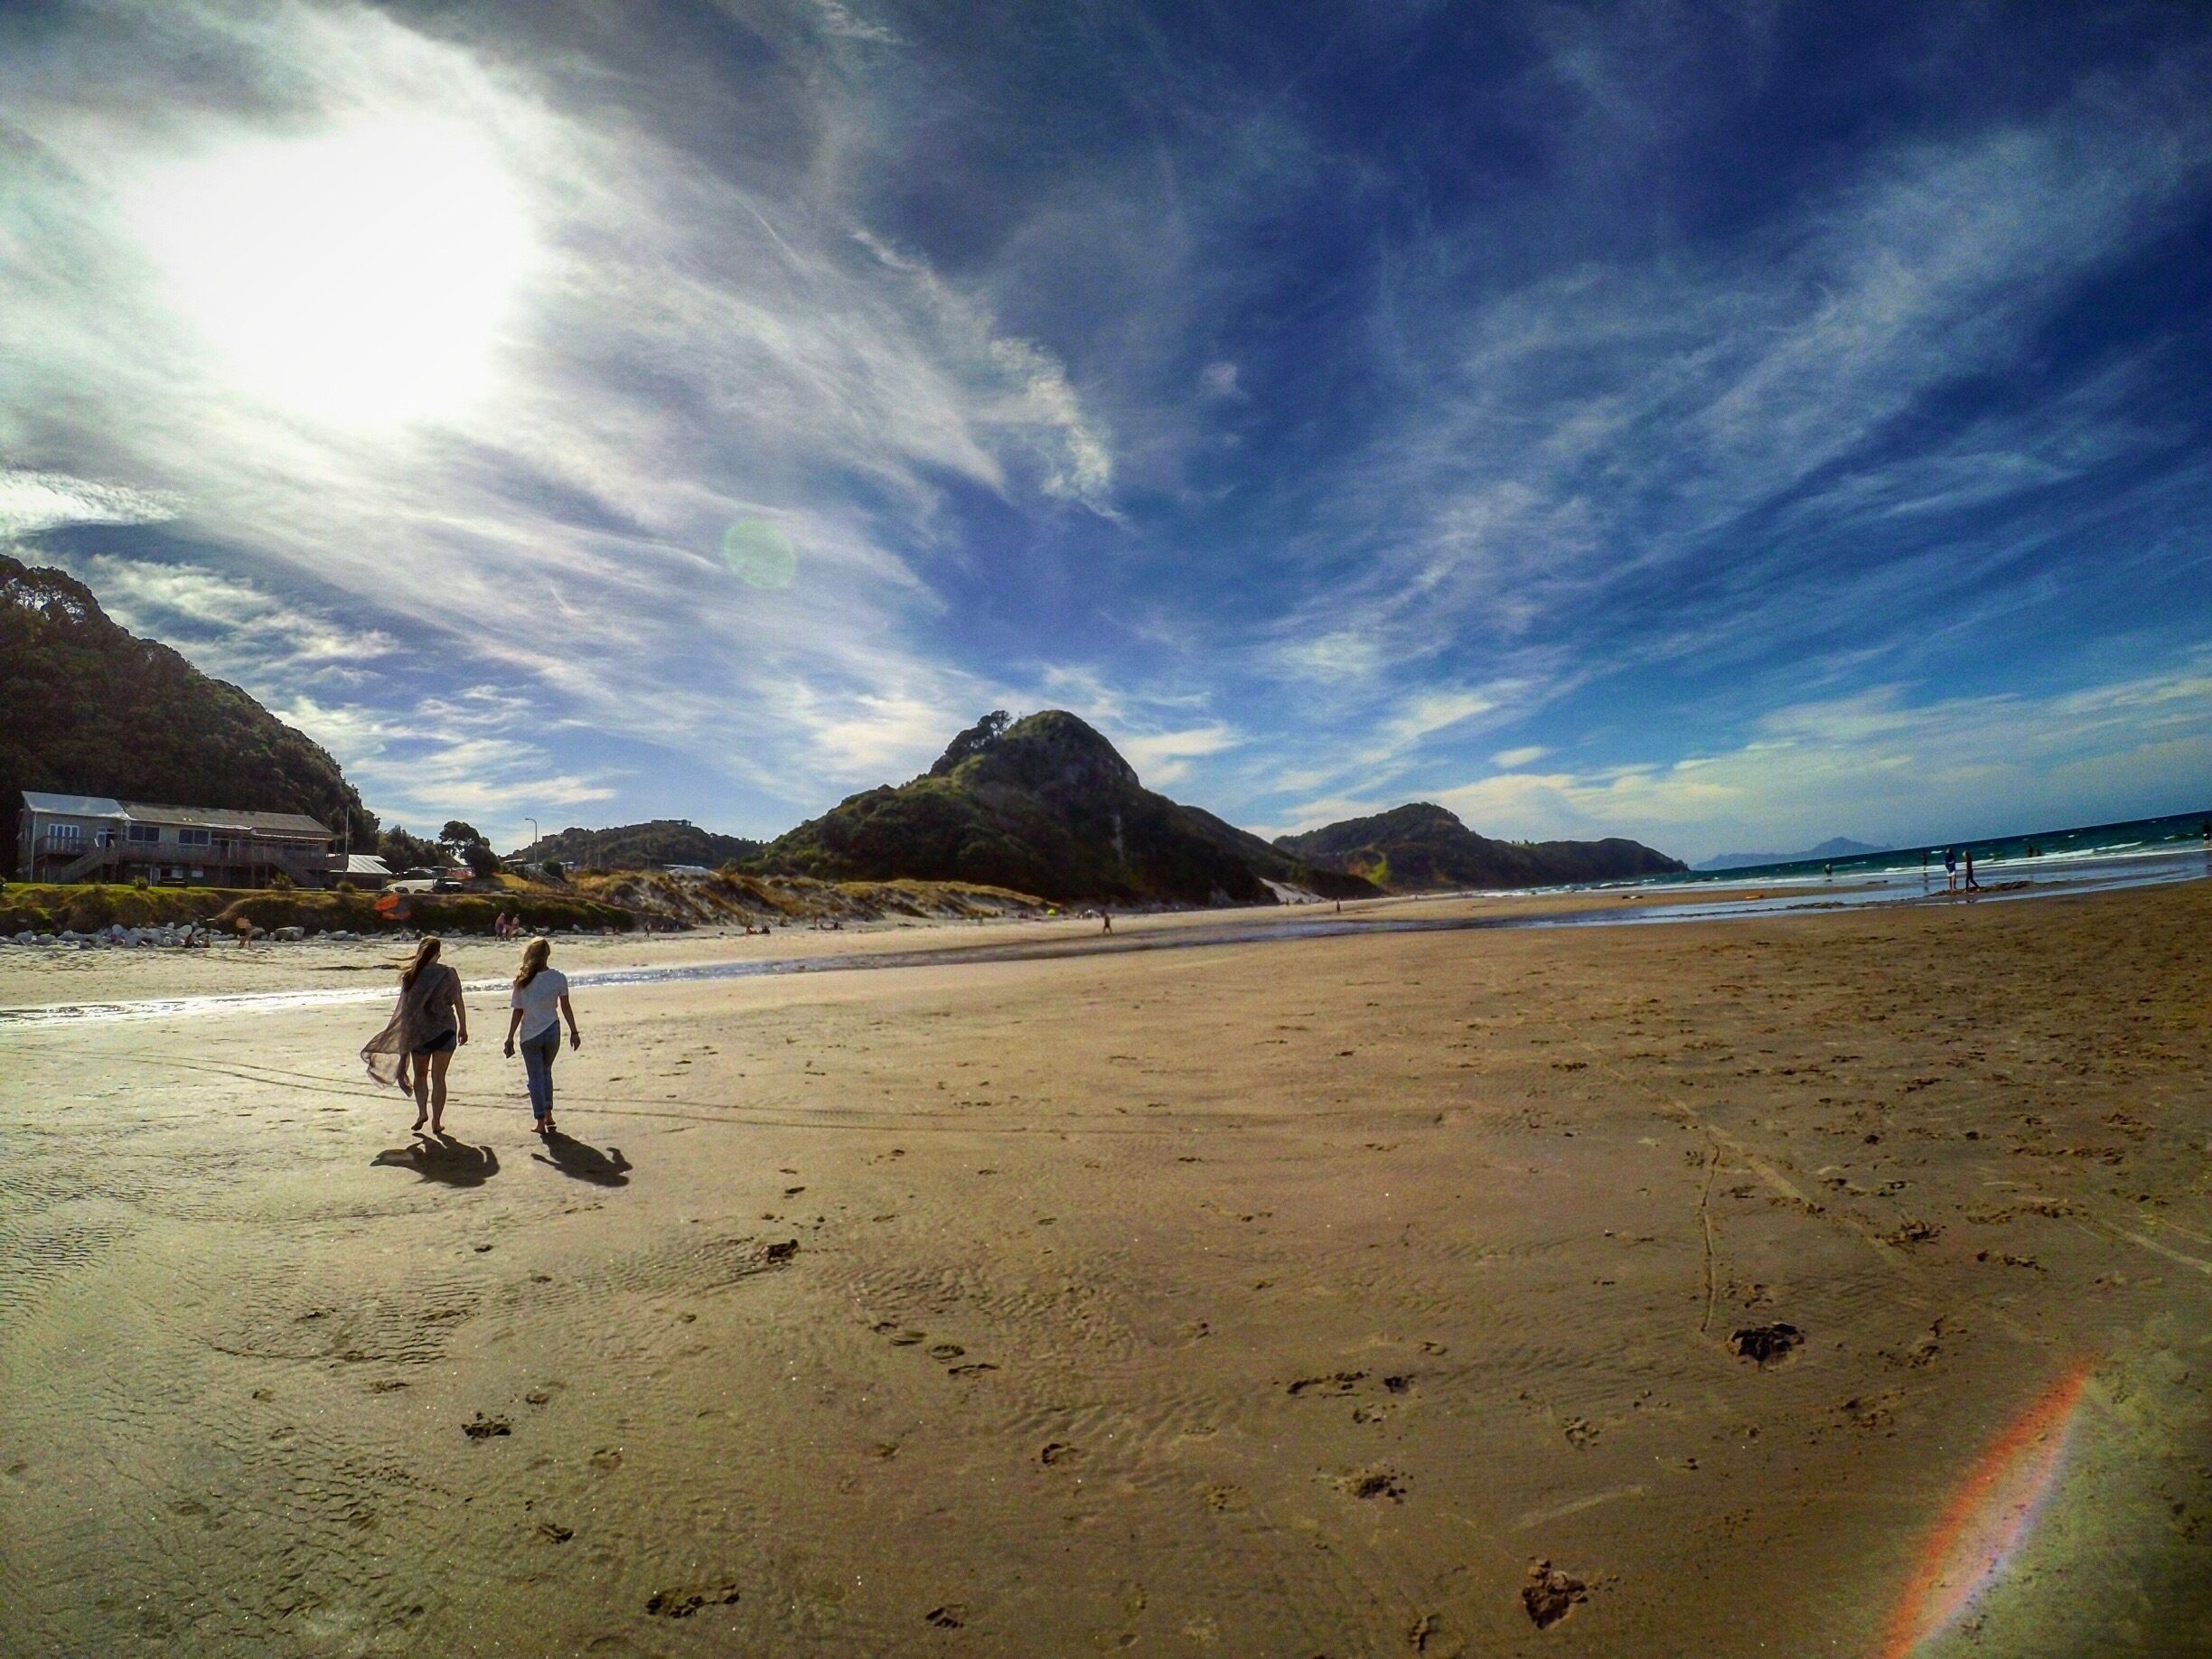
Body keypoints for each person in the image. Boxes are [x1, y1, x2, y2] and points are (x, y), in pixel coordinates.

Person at [361, 936, 468, 1133]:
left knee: (420, 1076)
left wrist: (404, 1034)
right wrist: (463, 1027)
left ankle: (421, 1112)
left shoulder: (411, 975)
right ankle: (436, 1122)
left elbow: (405, 1009)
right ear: (438, 954)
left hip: (420, 1033)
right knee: (439, 1078)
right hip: (445, 1030)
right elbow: (458, 1001)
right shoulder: (448, 973)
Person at [503, 936, 580, 1136]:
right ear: (548, 955)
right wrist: (574, 1031)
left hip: (530, 1035)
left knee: (535, 1077)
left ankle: (539, 1121)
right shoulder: (558, 978)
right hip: (552, 1030)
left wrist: (510, 1036)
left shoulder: (522, 980)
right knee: (546, 1073)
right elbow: (565, 1007)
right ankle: (548, 1115)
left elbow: (518, 1011)